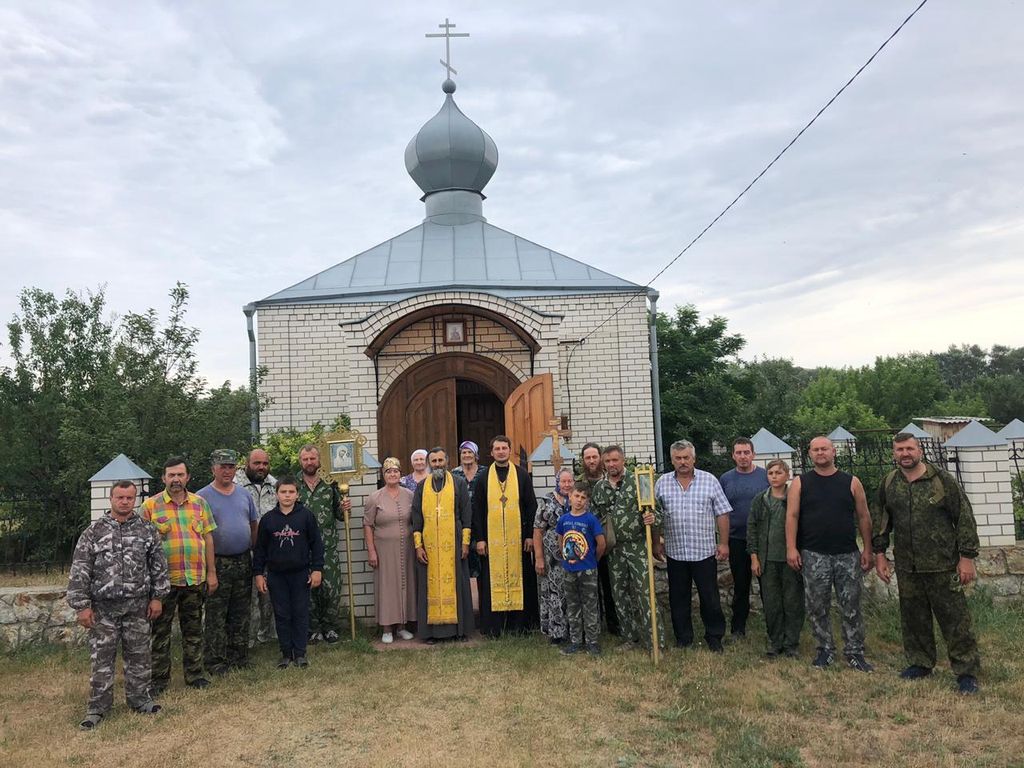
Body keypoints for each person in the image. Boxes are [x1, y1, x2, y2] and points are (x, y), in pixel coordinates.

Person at [874, 433, 982, 694]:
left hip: (943, 564)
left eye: (909, 448)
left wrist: (967, 558)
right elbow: (881, 521)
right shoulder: (889, 483)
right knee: (914, 618)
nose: (905, 453)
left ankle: (966, 672)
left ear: (919, 450)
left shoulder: (941, 480)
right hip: (908, 565)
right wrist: (879, 554)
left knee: (955, 620)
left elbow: (964, 517)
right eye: (900, 449)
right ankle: (920, 663)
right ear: (894, 453)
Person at [68, 481, 170, 730]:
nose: (124, 502)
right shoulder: (94, 532)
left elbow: (158, 566)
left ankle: (140, 700)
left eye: (129, 498)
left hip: (138, 606)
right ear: (111, 499)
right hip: (103, 609)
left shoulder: (147, 530)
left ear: (135, 499)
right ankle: (97, 708)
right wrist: (81, 606)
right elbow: (80, 569)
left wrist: (158, 597)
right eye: (120, 497)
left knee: (139, 657)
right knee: (102, 660)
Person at [786, 436, 874, 672]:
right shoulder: (800, 483)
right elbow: (792, 516)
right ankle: (824, 650)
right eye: (815, 449)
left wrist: (868, 548)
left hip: (847, 554)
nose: (820, 453)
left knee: (851, 604)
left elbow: (864, 516)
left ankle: (855, 651)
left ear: (834, 452)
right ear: (809, 454)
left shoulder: (852, 482)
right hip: (814, 554)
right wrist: (791, 548)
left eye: (824, 448)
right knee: (817, 605)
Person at [142, 456, 218, 694]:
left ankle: (195, 675)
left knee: (193, 630)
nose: (176, 479)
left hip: (194, 577)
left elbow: (208, 538)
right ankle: (158, 680)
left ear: (188, 477)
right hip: (163, 581)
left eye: (180, 475)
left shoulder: (200, 504)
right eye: (171, 475)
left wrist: (212, 573)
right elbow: (141, 546)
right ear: (164, 478)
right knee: (160, 632)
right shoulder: (150, 506)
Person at [655, 440, 730, 653]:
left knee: (710, 597)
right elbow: (654, 514)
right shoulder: (662, 483)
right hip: (676, 552)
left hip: (704, 552)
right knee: (678, 598)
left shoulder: (709, 480)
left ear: (693, 458)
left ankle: (714, 637)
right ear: (672, 460)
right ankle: (683, 638)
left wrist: (724, 543)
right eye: (678, 458)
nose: (682, 462)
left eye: (686, 457)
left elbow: (722, 513)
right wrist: (656, 542)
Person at [592, 445, 664, 651]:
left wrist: (652, 518)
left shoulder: (640, 481)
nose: (611, 464)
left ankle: (655, 640)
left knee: (645, 593)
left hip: (637, 546)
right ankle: (629, 637)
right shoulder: (599, 488)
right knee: (619, 594)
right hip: (614, 550)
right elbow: (595, 518)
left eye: (615, 460)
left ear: (623, 460)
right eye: (607, 461)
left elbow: (658, 512)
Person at [198, 449, 259, 675]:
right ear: (213, 469)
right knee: (216, 613)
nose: (227, 471)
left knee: (241, 612)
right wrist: (209, 569)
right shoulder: (202, 497)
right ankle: (215, 660)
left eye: (231, 466)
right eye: (222, 466)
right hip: (217, 562)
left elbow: (253, 525)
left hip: (243, 560)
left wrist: (254, 551)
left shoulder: (244, 494)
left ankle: (238, 657)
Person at [472, 435, 540, 637]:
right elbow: (477, 510)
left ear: (510, 451)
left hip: (518, 541)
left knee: (522, 580)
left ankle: (520, 626)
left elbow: (531, 506)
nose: (501, 452)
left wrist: (529, 536)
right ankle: (494, 627)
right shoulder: (483, 478)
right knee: (491, 582)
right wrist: (480, 539)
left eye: (504, 448)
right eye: (497, 449)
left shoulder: (521, 475)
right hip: (491, 544)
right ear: (491, 452)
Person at [253, 477, 324, 669]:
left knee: (300, 613)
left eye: (291, 492)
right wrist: (258, 573)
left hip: (300, 574)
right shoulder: (268, 519)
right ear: (277, 494)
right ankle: (286, 653)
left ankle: (300, 653)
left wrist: (317, 569)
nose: (287, 495)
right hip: (276, 576)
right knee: (282, 614)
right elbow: (260, 549)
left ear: (297, 494)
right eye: (283, 492)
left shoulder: (306, 516)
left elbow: (317, 545)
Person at [411, 447, 475, 642]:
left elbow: (466, 514)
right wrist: (418, 546)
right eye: (434, 461)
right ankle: (430, 633)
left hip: (453, 542)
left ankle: (459, 631)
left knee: (457, 583)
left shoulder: (458, 483)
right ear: (429, 463)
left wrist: (465, 543)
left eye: (441, 460)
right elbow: (416, 517)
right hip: (429, 546)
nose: (437, 464)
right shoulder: (422, 486)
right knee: (428, 586)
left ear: (447, 461)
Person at [747, 459, 803, 657]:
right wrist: (754, 557)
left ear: (787, 475)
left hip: (790, 559)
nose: (774, 476)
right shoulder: (760, 500)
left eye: (778, 473)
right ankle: (775, 641)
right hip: (767, 560)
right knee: (772, 604)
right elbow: (752, 529)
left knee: (793, 602)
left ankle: (791, 643)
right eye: (770, 473)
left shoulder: (795, 498)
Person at [297, 442, 350, 645]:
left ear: (319, 460)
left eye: (312, 458)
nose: (309, 462)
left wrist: (345, 507)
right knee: (307, 589)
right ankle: (313, 630)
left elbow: (339, 515)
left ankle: (330, 628)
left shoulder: (331, 483)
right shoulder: (294, 485)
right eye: (305, 459)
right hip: (302, 548)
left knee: (331, 589)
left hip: (327, 547)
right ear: (300, 461)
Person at [718, 437, 769, 638]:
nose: (743, 456)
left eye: (746, 452)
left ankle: (773, 627)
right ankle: (738, 629)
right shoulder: (726, 479)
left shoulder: (765, 476)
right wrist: (723, 542)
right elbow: (720, 511)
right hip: (737, 539)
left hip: (763, 540)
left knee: (768, 586)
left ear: (753, 454)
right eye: (738, 453)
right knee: (741, 585)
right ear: (733, 456)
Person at [364, 457, 417, 643]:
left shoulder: (409, 495)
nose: (392, 474)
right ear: (383, 475)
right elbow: (368, 525)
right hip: (384, 550)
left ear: (400, 474)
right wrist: (371, 551)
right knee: (387, 586)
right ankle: (387, 627)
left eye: (395, 471)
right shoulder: (375, 497)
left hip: (407, 549)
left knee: (405, 584)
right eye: (388, 471)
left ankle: (402, 626)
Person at [557, 481, 606, 655]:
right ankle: (576, 641)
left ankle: (592, 641)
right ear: (570, 497)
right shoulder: (563, 520)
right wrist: (567, 557)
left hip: (588, 569)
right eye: (576, 496)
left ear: (587, 501)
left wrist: (593, 560)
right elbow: (561, 540)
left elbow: (601, 543)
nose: (579, 500)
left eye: (583, 498)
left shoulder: (591, 520)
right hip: (569, 569)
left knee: (590, 605)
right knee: (573, 605)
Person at [234, 448, 278, 644]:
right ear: (247, 464)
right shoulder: (234, 486)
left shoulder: (275, 485)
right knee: (246, 597)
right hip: (244, 550)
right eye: (257, 463)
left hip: (270, 552)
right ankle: (247, 637)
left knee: (268, 595)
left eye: (265, 464)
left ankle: (268, 634)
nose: (261, 467)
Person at [577, 441, 619, 636]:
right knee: (589, 588)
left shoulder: (611, 481)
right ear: (583, 460)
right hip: (586, 544)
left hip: (609, 542)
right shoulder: (578, 483)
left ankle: (614, 624)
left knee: (610, 584)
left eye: (595, 457)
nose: (592, 461)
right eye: (588, 457)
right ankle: (593, 626)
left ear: (600, 458)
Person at [533, 468, 573, 644]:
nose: (566, 484)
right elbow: (538, 531)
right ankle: (556, 632)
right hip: (552, 559)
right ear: (557, 482)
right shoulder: (546, 501)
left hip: (574, 555)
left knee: (572, 591)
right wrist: (539, 558)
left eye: (569, 481)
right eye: (563, 481)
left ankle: (575, 631)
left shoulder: (578, 499)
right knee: (554, 592)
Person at [452, 440, 483, 578]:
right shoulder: (454, 474)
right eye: (464, 452)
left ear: (476, 455)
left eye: (470, 452)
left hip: (480, 522)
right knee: (464, 561)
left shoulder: (485, 472)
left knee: (481, 563)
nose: (466, 455)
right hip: (462, 523)